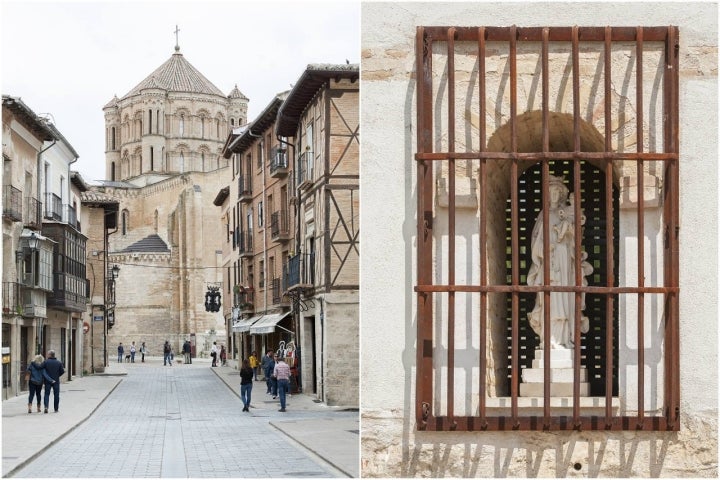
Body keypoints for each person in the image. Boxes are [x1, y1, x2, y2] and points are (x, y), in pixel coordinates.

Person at [526, 175, 593, 349]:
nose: (554, 194)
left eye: (557, 191)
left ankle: (565, 338)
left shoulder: (569, 212)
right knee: (550, 298)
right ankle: (548, 340)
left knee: (566, 298)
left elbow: (577, 240)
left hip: (566, 263)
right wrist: (546, 249)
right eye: (551, 191)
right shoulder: (544, 215)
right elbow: (536, 240)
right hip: (549, 262)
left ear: (562, 194)